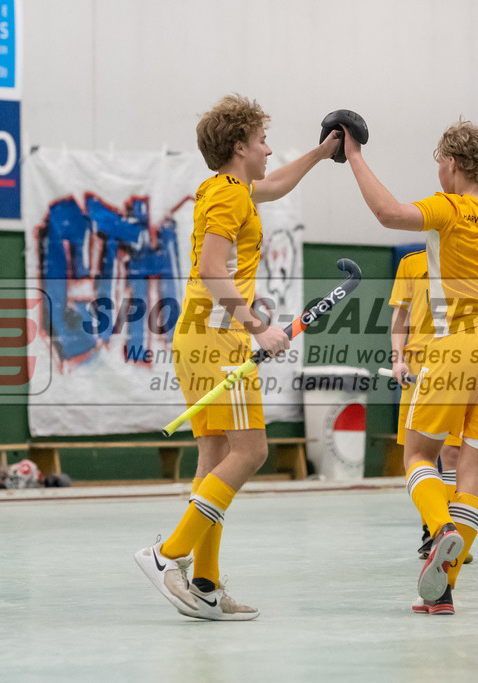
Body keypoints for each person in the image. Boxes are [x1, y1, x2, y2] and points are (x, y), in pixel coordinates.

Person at [344, 119, 478, 615]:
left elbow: (387, 212)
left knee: (418, 456)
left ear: (451, 163)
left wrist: (354, 155)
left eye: (438, 161)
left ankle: (439, 525)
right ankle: (442, 589)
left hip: (455, 347)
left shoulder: (446, 208)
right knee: (474, 473)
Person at [135, 94, 340, 620]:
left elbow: (275, 184)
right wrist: (259, 327)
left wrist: (319, 155)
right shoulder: (228, 198)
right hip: (218, 341)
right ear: (238, 146)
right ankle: (167, 555)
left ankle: (204, 586)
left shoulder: (232, 189)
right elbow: (211, 268)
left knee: (213, 458)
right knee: (250, 452)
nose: (270, 150)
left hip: (199, 339)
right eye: (262, 141)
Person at [388, 252, 471, 577]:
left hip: (458, 363)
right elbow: (400, 316)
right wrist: (398, 358)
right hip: (418, 365)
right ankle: (434, 530)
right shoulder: (411, 263)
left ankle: (449, 533)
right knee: (420, 454)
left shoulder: (470, 258)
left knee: (453, 452)